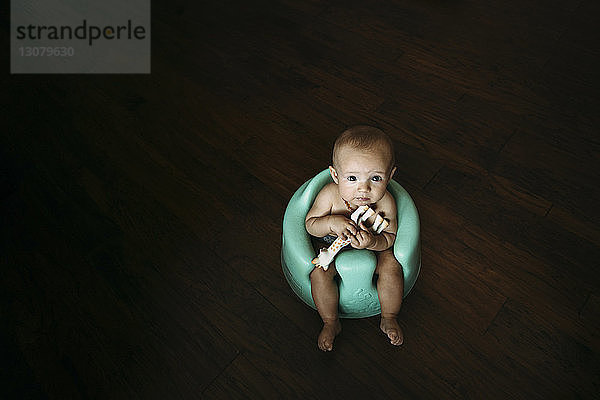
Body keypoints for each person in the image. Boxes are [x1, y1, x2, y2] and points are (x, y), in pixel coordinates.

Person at [305, 125, 404, 351]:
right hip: (331, 248)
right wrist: (331, 222)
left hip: (371, 248)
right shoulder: (330, 195)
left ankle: (389, 315)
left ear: (390, 176)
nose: (364, 189)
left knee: (392, 265)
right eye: (351, 178)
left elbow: (390, 237)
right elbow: (310, 226)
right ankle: (330, 322)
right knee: (318, 275)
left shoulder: (385, 202)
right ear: (335, 175)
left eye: (376, 178)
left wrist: (373, 242)